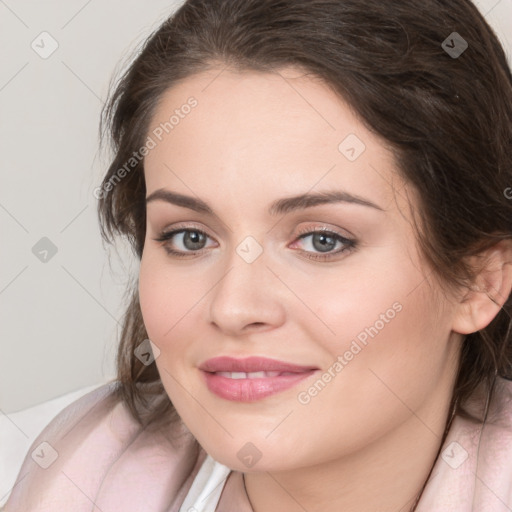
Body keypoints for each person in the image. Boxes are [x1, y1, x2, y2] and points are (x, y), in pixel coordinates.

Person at [4, 0, 512, 510]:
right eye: (190, 237)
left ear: (480, 278)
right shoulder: (29, 470)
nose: (233, 307)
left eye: (321, 240)